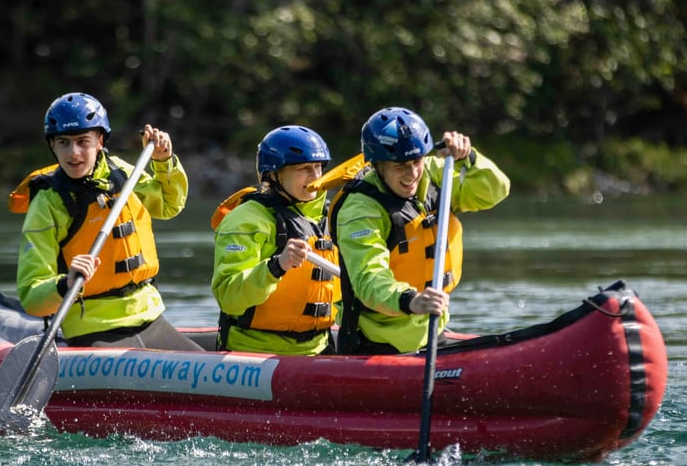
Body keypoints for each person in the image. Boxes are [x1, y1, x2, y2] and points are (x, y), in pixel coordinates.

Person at [13, 91, 203, 350]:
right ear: (52, 146)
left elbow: (169, 205)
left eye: (83, 141)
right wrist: (65, 282)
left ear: (100, 141)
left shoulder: (121, 173)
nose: (74, 153)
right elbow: (32, 296)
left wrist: (163, 161)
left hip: (148, 317)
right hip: (91, 324)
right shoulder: (48, 202)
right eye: (64, 143)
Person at [330, 106, 510, 355]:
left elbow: (494, 191)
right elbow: (368, 279)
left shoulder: (436, 174)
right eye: (400, 165)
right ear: (378, 165)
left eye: (416, 161)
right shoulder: (360, 210)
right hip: (375, 343)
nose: (412, 173)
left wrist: (469, 158)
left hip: (432, 331)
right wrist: (411, 300)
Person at [211, 125, 340, 355]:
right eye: (303, 168)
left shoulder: (331, 217)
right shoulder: (245, 219)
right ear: (274, 174)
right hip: (255, 352)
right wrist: (276, 266)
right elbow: (229, 297)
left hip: (319, 348)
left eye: (318, 167)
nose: (315, 176)